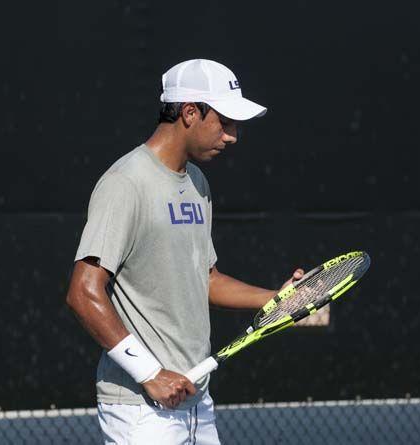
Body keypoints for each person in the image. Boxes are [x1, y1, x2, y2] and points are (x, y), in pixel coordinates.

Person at [66, 59, 304, 445]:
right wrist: (150, 374)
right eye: (225, 122)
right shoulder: (126, 183)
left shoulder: (197, 182)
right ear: (190, 113)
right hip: (140, 409)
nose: (232, 136)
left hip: (197, 399)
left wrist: (278, 299)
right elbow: (82, 291)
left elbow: (205, 279)